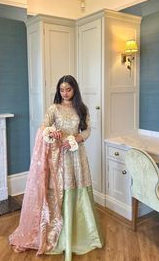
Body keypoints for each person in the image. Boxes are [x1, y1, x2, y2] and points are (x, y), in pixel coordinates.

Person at [9, 75, 103, 260]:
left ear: (74, 89)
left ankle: (82, 235)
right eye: (62, 89)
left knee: (79, 189)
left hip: (77, 156)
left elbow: (88, 130)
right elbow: (43, 127)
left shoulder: (82, 109)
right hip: (59, 158)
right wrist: (51, 131)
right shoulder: (54, 108)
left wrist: (76, 138)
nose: (65, 93)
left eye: (68, 89)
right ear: (58, 91)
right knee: (62, 190)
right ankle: (59, 235)